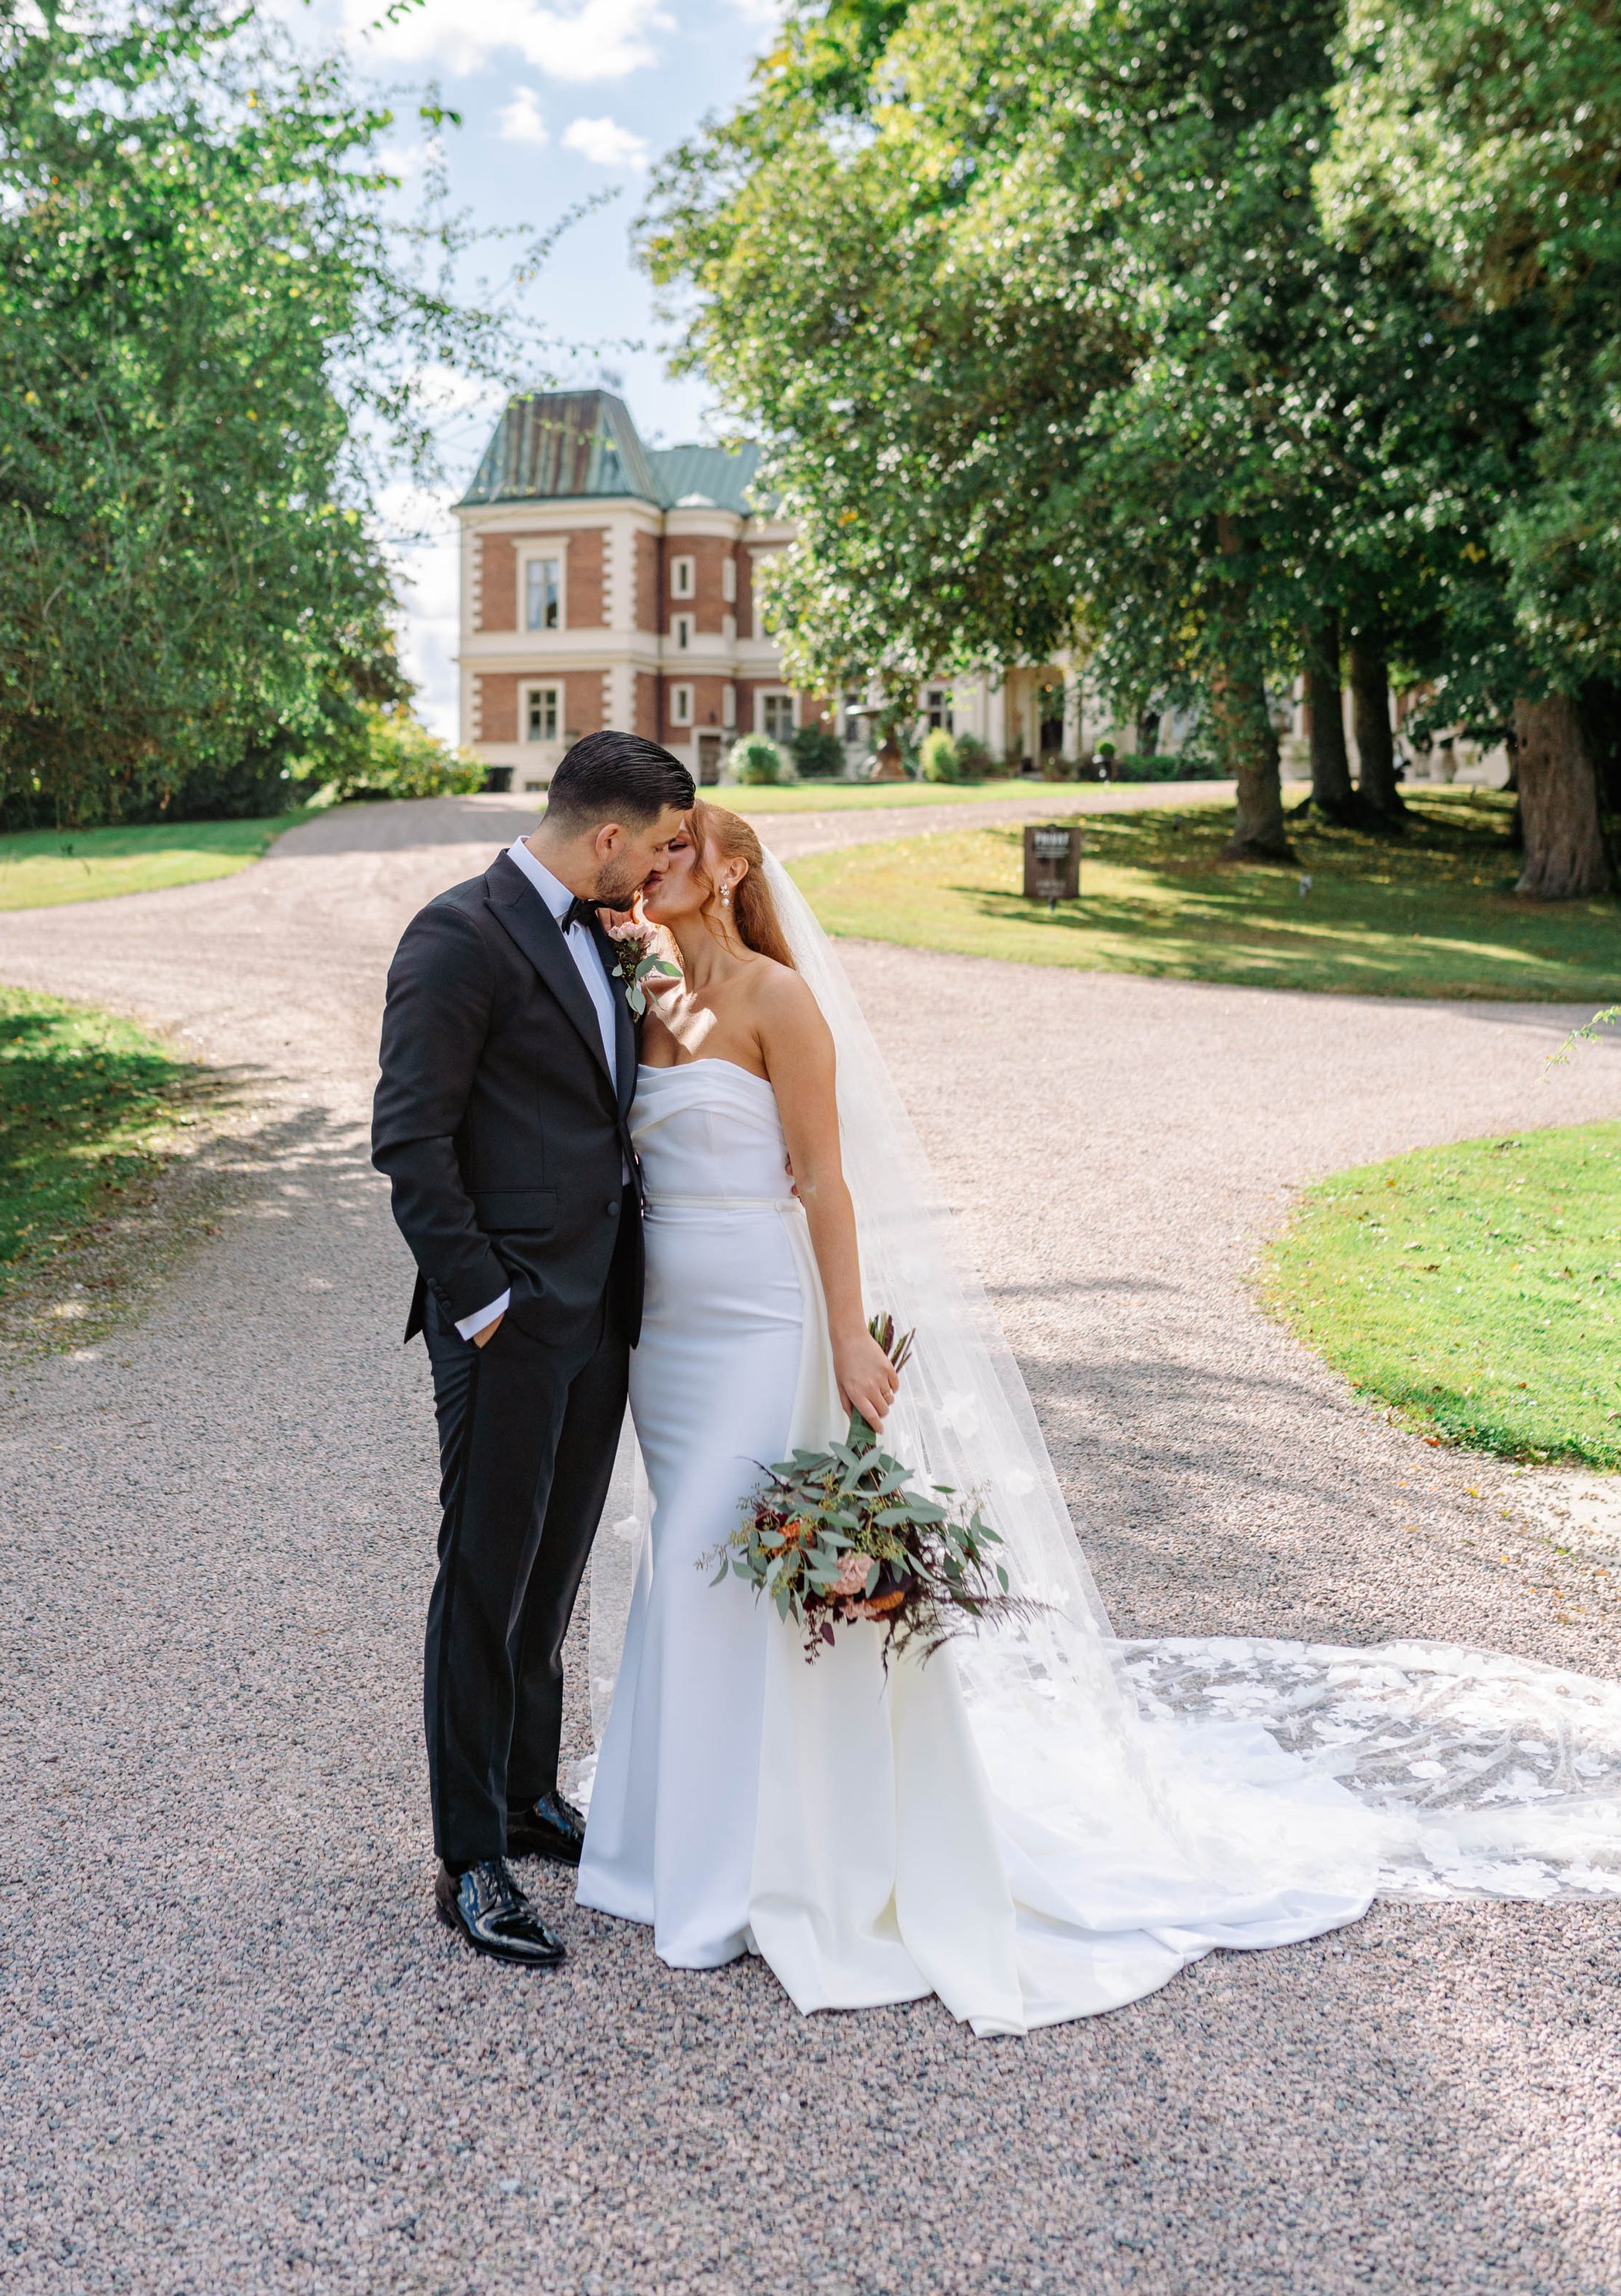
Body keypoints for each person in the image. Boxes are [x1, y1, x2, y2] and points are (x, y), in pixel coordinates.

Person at [574, 805, 1621, 2029]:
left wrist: (850, 1334)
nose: (658, 863)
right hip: (671, 1340)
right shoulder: (656, 983)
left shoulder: (777, 1001)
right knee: (681, 1560)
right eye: (655, 848)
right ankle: (665, 1841)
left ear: (736, 868)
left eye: (683, 848)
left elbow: (822, 1180)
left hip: (760, 1325)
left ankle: (765, 1864)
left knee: (728, 1558)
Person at [371, 729, 694, 1968]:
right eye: (661, 842)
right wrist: (485, 1303)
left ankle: (526, 1791)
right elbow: (411, 1142)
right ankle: (468, 1857)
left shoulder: (609, 932)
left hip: (602, 1312)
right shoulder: (457, 936)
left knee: (554, 1575)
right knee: (484, 1576)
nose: (668, 866)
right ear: (606, 836)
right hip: (506, 1324)